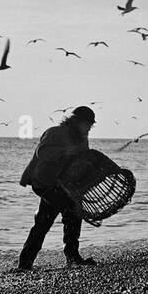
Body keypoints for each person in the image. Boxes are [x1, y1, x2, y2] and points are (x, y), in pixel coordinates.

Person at [17, 106, 98, 269]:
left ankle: (27, 262)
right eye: (87, 124)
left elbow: (80, 162)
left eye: (91, 125)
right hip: (44, 183)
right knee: (65, 213)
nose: (89, 127)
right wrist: (68, 151)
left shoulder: (82, 139)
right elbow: (43, 152)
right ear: (76, 121)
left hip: (63, 185)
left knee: (51, 219)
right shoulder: (55, 132)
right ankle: (70, 257)